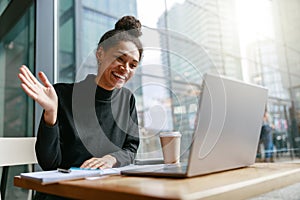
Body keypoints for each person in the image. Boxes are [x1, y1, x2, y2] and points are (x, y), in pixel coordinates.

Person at [18, 15, 143, 199]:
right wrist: (51, 114)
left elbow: (131, 148)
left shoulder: (127, 99)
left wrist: (112, 159)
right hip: (62, 194)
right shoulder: (61, 95)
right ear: (100, 53)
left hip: (105, 191)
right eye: (119, 59)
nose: (125, 68)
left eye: (133, 65)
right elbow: (49, 164)